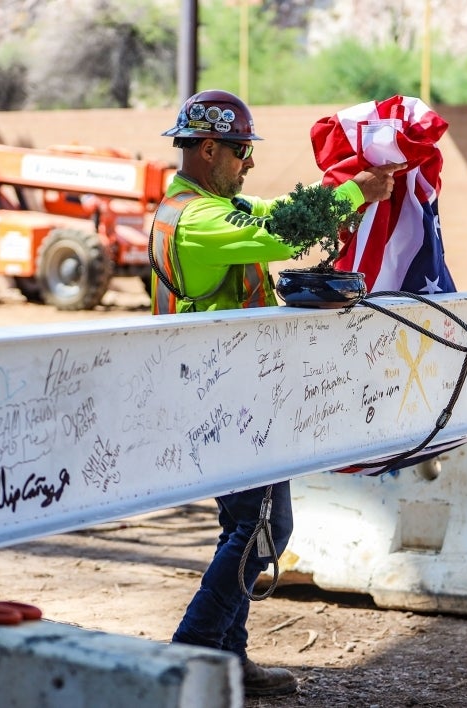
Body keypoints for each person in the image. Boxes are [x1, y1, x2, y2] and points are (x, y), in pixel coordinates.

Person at [150, 88, 402, 697]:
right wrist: (353, 193)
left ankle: (229, 659)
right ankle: (189, 655)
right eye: (241, 151)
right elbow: (284, 233)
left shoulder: (200, 206)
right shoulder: (199, 220)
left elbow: (276, 210)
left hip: (229, 394)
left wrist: (341, 187)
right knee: (261, 529)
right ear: (208, 148)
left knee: (249, 524)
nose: (249, 163)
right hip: (225, 397)